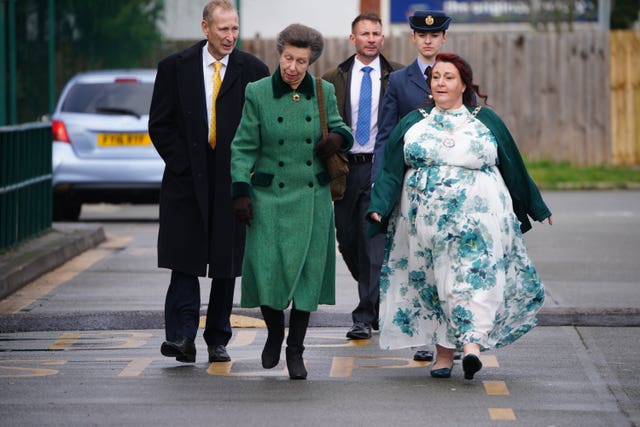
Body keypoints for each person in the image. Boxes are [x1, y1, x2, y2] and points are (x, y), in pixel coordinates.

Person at [367, 53, 552, 380]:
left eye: (448, 77)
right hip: (427, 228)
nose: (440, 82)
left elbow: (513, 165)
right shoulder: (414, 121)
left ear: (464, 84)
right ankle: (443, 355)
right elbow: (391, 169)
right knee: (438, 285)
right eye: (436, 77)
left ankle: (470, 347)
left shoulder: (485, 120)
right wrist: (378, 206)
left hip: (477, 225)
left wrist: (536, 206)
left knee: (471, 280)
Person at [148, 0, 269, 364]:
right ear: (205, 28)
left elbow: (262, 125)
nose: (230, 36)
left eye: (234, 29)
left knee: (226, 261)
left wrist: (248, 174)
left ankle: (218, 338)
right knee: (184, 259)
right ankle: (182, 337)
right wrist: (184, 165)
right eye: (223, 29)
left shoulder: (253, 69)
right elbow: (160, 123)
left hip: (231, 178)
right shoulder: (175, 67)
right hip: (186, 180)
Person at [230, 23, 353, 380]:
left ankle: (295, 349)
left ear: (311, 61)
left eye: (301, 61)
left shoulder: (323, 90)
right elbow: (242, 146)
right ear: (279, 54)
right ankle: (273, 332)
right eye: (288, 58)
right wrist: (240, 190)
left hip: (312, 197)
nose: (293, 67)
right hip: (269, 197)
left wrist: (337, 141)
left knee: (306, 278)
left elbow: (342, 128)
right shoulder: (257, 92)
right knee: (267, 271)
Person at [371, 10, 451, 361]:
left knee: (451, 264)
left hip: (450, 186)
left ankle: (451, 337)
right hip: (412, 186)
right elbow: (386, 135)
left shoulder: (457, 74)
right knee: (417, 261)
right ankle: (423, 336)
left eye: (434, 35)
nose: (428, 40)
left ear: (444, 38)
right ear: (413, 38)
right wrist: (379, 181)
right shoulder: (400, 82)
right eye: (421, 35)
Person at [322, 13, 403, 340]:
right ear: (352, 39)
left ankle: (364, 315)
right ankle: (377, 299)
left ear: (382, 38)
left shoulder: (397, 76)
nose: (371, 39)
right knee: (349, 241)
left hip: (379, 167)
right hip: (344, 169)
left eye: (376, 34)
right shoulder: (333, 78)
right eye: (364, 34)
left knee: (374, 244)